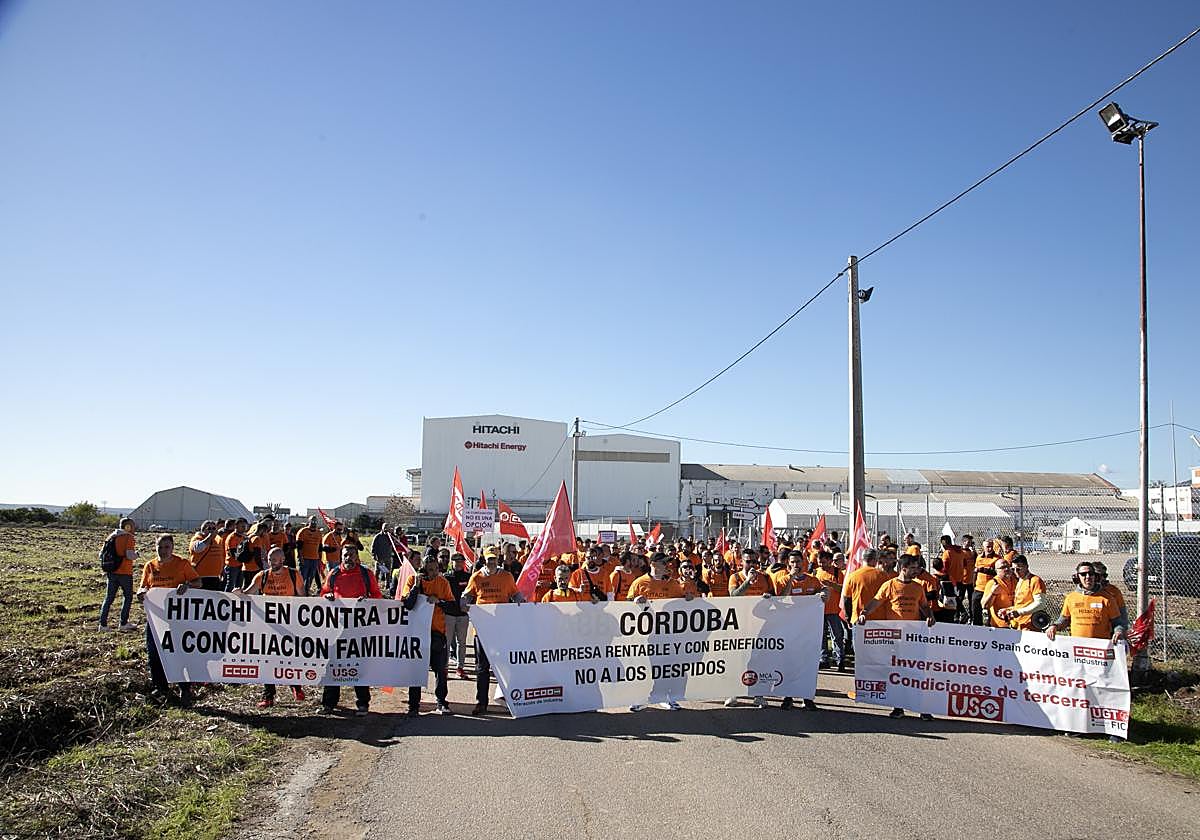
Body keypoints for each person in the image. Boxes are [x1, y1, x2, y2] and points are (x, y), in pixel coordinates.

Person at [856, 554, 937, 720]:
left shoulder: (918, 587)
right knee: (896, 673)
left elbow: (923, 606)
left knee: (916, 672)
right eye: (914, 568)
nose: (917, 571)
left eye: (918, 568)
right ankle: (898, 707)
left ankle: (921, 707)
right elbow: (876, 601)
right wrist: (864, 613)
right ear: (903, 568)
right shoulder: (889, 585)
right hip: (894, 638)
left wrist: (929, 615)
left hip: (913, 636)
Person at [319, 544, 383, 716]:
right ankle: (329, 703)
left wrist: (367, 600)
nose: (349, 558)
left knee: (359, 665)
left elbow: (377, 596)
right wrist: (327, 596)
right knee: (333, 664)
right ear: (341, 556)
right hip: (336, 628)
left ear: (357, 556)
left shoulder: (366, 574)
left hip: (359, 628)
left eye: (352, 555)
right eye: (346, 555)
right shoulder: (334, 574)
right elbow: (323, 593)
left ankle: (363, 703)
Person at [135, 534, 200, 704]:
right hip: (156, 618)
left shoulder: (182, 564)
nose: (163, 550)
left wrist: (187, 586)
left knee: (179, 652)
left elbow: (198, 582)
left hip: (177, 618)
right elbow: (144, 586)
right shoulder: (150, 566)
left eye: (167, 547)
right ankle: (160, 687)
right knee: (154, 654)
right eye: (160, 547)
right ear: (155, 546)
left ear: (172, 547)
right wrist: (140, 592)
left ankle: (185, 688)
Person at [239, 547, 305, 708]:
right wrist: (237, 593)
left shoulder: (293, 574)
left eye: (275, 560)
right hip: (267, 625)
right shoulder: (262, 576)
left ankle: (295, 685)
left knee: (289, 657)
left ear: (283, 560)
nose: (272, 563)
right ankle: (268, 696)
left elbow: (303, 597)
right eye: (269, 559)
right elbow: (248, 593)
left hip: (288, 622)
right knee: (267, 659)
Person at [462, 548, 525, 715]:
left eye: (494, 559)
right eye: (489, 559)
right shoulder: (476, 577)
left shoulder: (506, 577)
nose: (491, 562)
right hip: (482, 630)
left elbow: (516, 594)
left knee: (506, 666)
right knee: (482, 667)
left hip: (501, 629)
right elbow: (467, 595)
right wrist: (464, 602)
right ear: (484, 559)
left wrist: (523, 603)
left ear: (498, 559)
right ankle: (481, 702)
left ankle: (507, 699)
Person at [771, 550, 827, 710]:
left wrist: (824, 592)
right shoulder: (782, 580)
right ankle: (787, 696)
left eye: (798, 562)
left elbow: (823, 591)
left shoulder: (813, 580)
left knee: (807, 664)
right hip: (788, 629)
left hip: (808, 630)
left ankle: (807, 697)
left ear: (803, 562)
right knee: (788, 663)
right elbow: (781, 598)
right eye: (793, 562)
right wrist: (791, 579)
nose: (796, 565)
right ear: (788, 564)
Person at [401, 554, 454, 715]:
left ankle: (441, 702)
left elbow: (452, 606)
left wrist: (439, 601)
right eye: (431, 569)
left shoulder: (443, 582)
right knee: (416, 671)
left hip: (437, 633)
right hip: (417, 635)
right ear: (423, 569)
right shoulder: (412, 580)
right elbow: (407, 604)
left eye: (437, 569)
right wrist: (417, 587)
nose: (435, 572)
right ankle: (413, 705)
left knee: (440, 670)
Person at [725, 550, 774, 708]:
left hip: (760, 625)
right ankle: (733, 692)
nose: (752, 564)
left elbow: (774, 596)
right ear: (742, 562)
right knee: (738, 660)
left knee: (758, 661)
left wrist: (769, 597)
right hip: (739, 625)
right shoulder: (735, 577)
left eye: (754, 561)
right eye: (748, 561)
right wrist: (748, 581)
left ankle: (758, 694)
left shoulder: (765, 577)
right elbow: (734, 596)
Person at [1046, 562, 1126, 644]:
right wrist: (1054, 626)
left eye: (1090, 574)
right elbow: (1064, 620)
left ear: (1095, 576)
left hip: (1101, 647)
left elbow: (1118, 622)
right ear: (1077, 577)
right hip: (1077, 646)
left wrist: (1119, 632)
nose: (1087, 577)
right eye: (1083, 574)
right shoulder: (1070, 598)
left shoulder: (1107, 598)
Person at [99, 517, 140, 632]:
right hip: (124, 572)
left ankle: (102, 625)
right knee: (128, 597)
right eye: (132, 525)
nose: (134, 528)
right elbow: (129, 555)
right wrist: (137, 554)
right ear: (127, 527)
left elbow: (101, 554)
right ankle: (123, 623)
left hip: (111, 572)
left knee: (109, 598)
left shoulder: (111, 536)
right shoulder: (128, 537)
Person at [440, 550, 471, 679]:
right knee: (446, 642)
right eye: (455, 561)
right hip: (449, 614)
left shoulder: (468, 577)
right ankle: (445, 667)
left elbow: (472, 593)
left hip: (463, 615)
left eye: (460, 561)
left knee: (461, 642)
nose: (458, 563)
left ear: (463, 563)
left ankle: (460, 667)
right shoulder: (446, 577)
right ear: (451, 563)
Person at [815, 551, 847, 671]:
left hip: (834, 610)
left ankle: (840, 659)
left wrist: (831, 584)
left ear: (829, 560)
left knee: (837, 636)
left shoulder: (837, 572)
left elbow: (843, 589)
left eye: (823, 562)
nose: (821, 565)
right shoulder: (817, 572)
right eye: (820, 563)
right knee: (821, 636)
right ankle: (824, 659)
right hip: (820, 610)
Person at [841, 549, 889, 624]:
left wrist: (849, 618)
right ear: (875, 560)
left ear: (862, 559)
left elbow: (847, 600)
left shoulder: (852, 576)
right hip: (880, 619)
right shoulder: (883, 575)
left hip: (858, 619)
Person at [1004, 555, 1046, 629]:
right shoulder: (1020, 580)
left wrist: (1019, 612)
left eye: (1018, 569)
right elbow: (1021, 604)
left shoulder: (1035, 580)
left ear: (1026, 567)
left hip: (1031, 625)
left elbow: (1040, 604)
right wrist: (1009, 610)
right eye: (1013, 569)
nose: (1016, 572)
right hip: (1019, 624)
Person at [189, 520, 225, 591]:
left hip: (215, 577)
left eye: (214, 528)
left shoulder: (218, 540)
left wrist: (222, 571)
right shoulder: (197, 538)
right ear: (203, 530)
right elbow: (198, 548)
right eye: (209, 528)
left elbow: (221, 556)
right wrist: (209, 537)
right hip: (200, 577)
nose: (212, 531)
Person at [969, 539, 999, 625]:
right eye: (987, 547)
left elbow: (997, 572)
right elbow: (976, 572)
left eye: (991, 547)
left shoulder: (997, 559)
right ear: (983, 547)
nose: (990, 549)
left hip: (990, 589)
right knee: (975, 609)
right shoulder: (979, 558)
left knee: (991, 610)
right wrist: (974, 584)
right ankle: (977, 626)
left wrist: (984, 570)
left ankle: (990, 626)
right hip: (979, 588)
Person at [981, 558, 1017, 628]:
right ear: (996, 571)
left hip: (1016, 623)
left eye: (1008, 566)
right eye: (1002, 567)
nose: (1006, 569)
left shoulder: (1016, 581)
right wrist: (993, 593)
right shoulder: (993, 583)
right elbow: (984, 606)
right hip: (1000, 626)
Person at [295, 516, 324, 595]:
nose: (314, 523)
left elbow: (320, 548)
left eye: (315, 522)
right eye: (312, 521)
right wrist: (300, 557)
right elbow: (299, 546)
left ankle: (306, 591)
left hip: (314, 559)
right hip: (305, 558)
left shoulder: (318, 533)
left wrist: (320, 559)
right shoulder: (303, 531)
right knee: (302, 577)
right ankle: (298, 592)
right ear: (309, 522)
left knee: (311, 577)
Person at [223, 517, 249, 591]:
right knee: (230, 585)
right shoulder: (232, 537)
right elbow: (233, 553)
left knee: (239, 586)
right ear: (236, 526)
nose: (244, 528)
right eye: (242, 526)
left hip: (240, 565)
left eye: (245, 526)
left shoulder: (243, 537)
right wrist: (245, 559)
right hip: (232, 565)